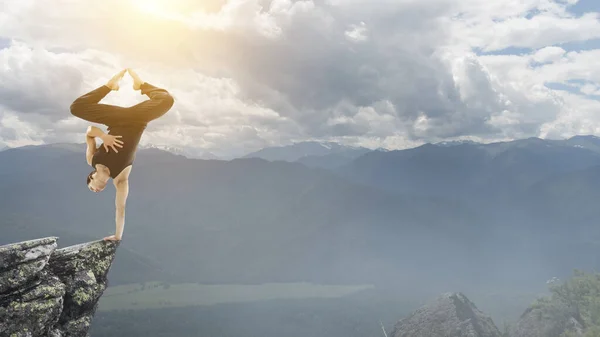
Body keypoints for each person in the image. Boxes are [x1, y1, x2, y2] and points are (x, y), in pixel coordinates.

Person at [70, 68, 175, 241]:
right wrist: (117, 236)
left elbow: (89, 131)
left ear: (91, 177)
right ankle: (141, 85)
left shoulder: (92, 159)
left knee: (76, 108)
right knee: (167, 100)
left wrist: (104, 136)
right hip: (138, 120)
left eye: (91, 188)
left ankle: (109, 86)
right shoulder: (120, 179)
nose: (96, 191)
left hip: (116, 119)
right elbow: (120, 208)